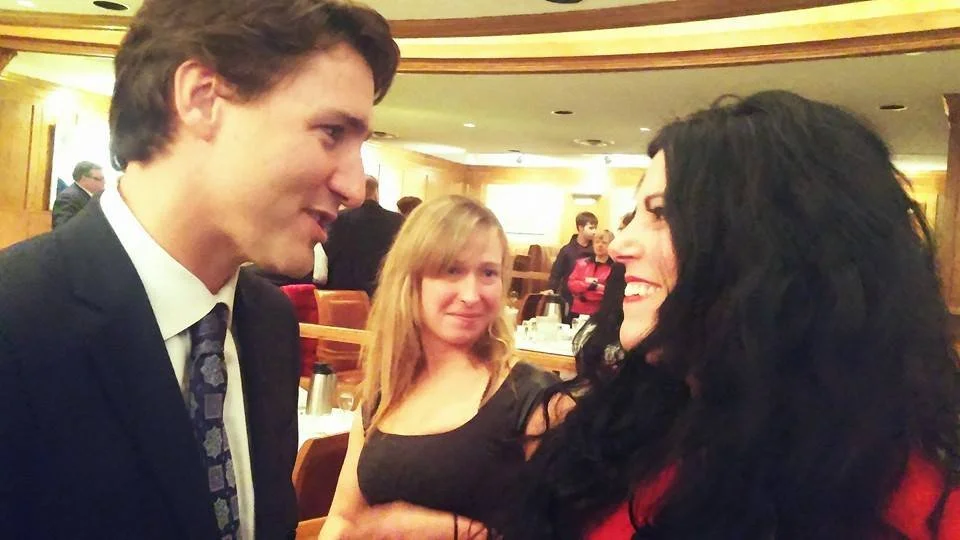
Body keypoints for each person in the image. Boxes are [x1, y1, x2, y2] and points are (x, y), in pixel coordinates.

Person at [0, 1, 399, 538]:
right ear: (202, 99)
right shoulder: (16, 321)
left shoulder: (268, 324)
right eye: (331, 132)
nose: (354, 187)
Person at [500, 91, 960, 539]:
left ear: (773, 247)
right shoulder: (638, 421)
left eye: (662, 213)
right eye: (632, 216)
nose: (619, 245)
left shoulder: (902, 500)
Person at [320, 195, 571, 539]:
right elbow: (343, 521)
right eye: (451, 270)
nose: (471, 294)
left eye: (487, 273)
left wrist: (426, 528)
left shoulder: (533, 398)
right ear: (411, 280)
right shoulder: (384, 393)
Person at [324, 176, 403, 298]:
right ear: (376, 193)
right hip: (383, 294)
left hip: (343, 295)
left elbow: (327, 253)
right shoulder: (399, 221)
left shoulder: (338, 219)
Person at [547, 211, 597, 321]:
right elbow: (556, 273)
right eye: (591, 228)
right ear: (580, 228)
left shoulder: (596, 250)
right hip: (569, 298)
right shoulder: (567, 250)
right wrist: (551, 289)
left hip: (591, 300)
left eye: (595, 228)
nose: (595, 231)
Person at [566, 229, 622, 319]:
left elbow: (609, 292)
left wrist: (585, 289)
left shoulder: (615, 268)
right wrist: (592, 286)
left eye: (604, 243)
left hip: (599, 313)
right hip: (577, 311)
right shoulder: (581, 263)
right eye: (597, 242)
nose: (599, 245)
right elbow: (571, 284)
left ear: (611, 245)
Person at [51, 160, 105, 229]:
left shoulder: (90, 196)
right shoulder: (67, 198)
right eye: (99, 179)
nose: (104, 182)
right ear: (83, 179)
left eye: (103, 179)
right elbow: (62, 230)